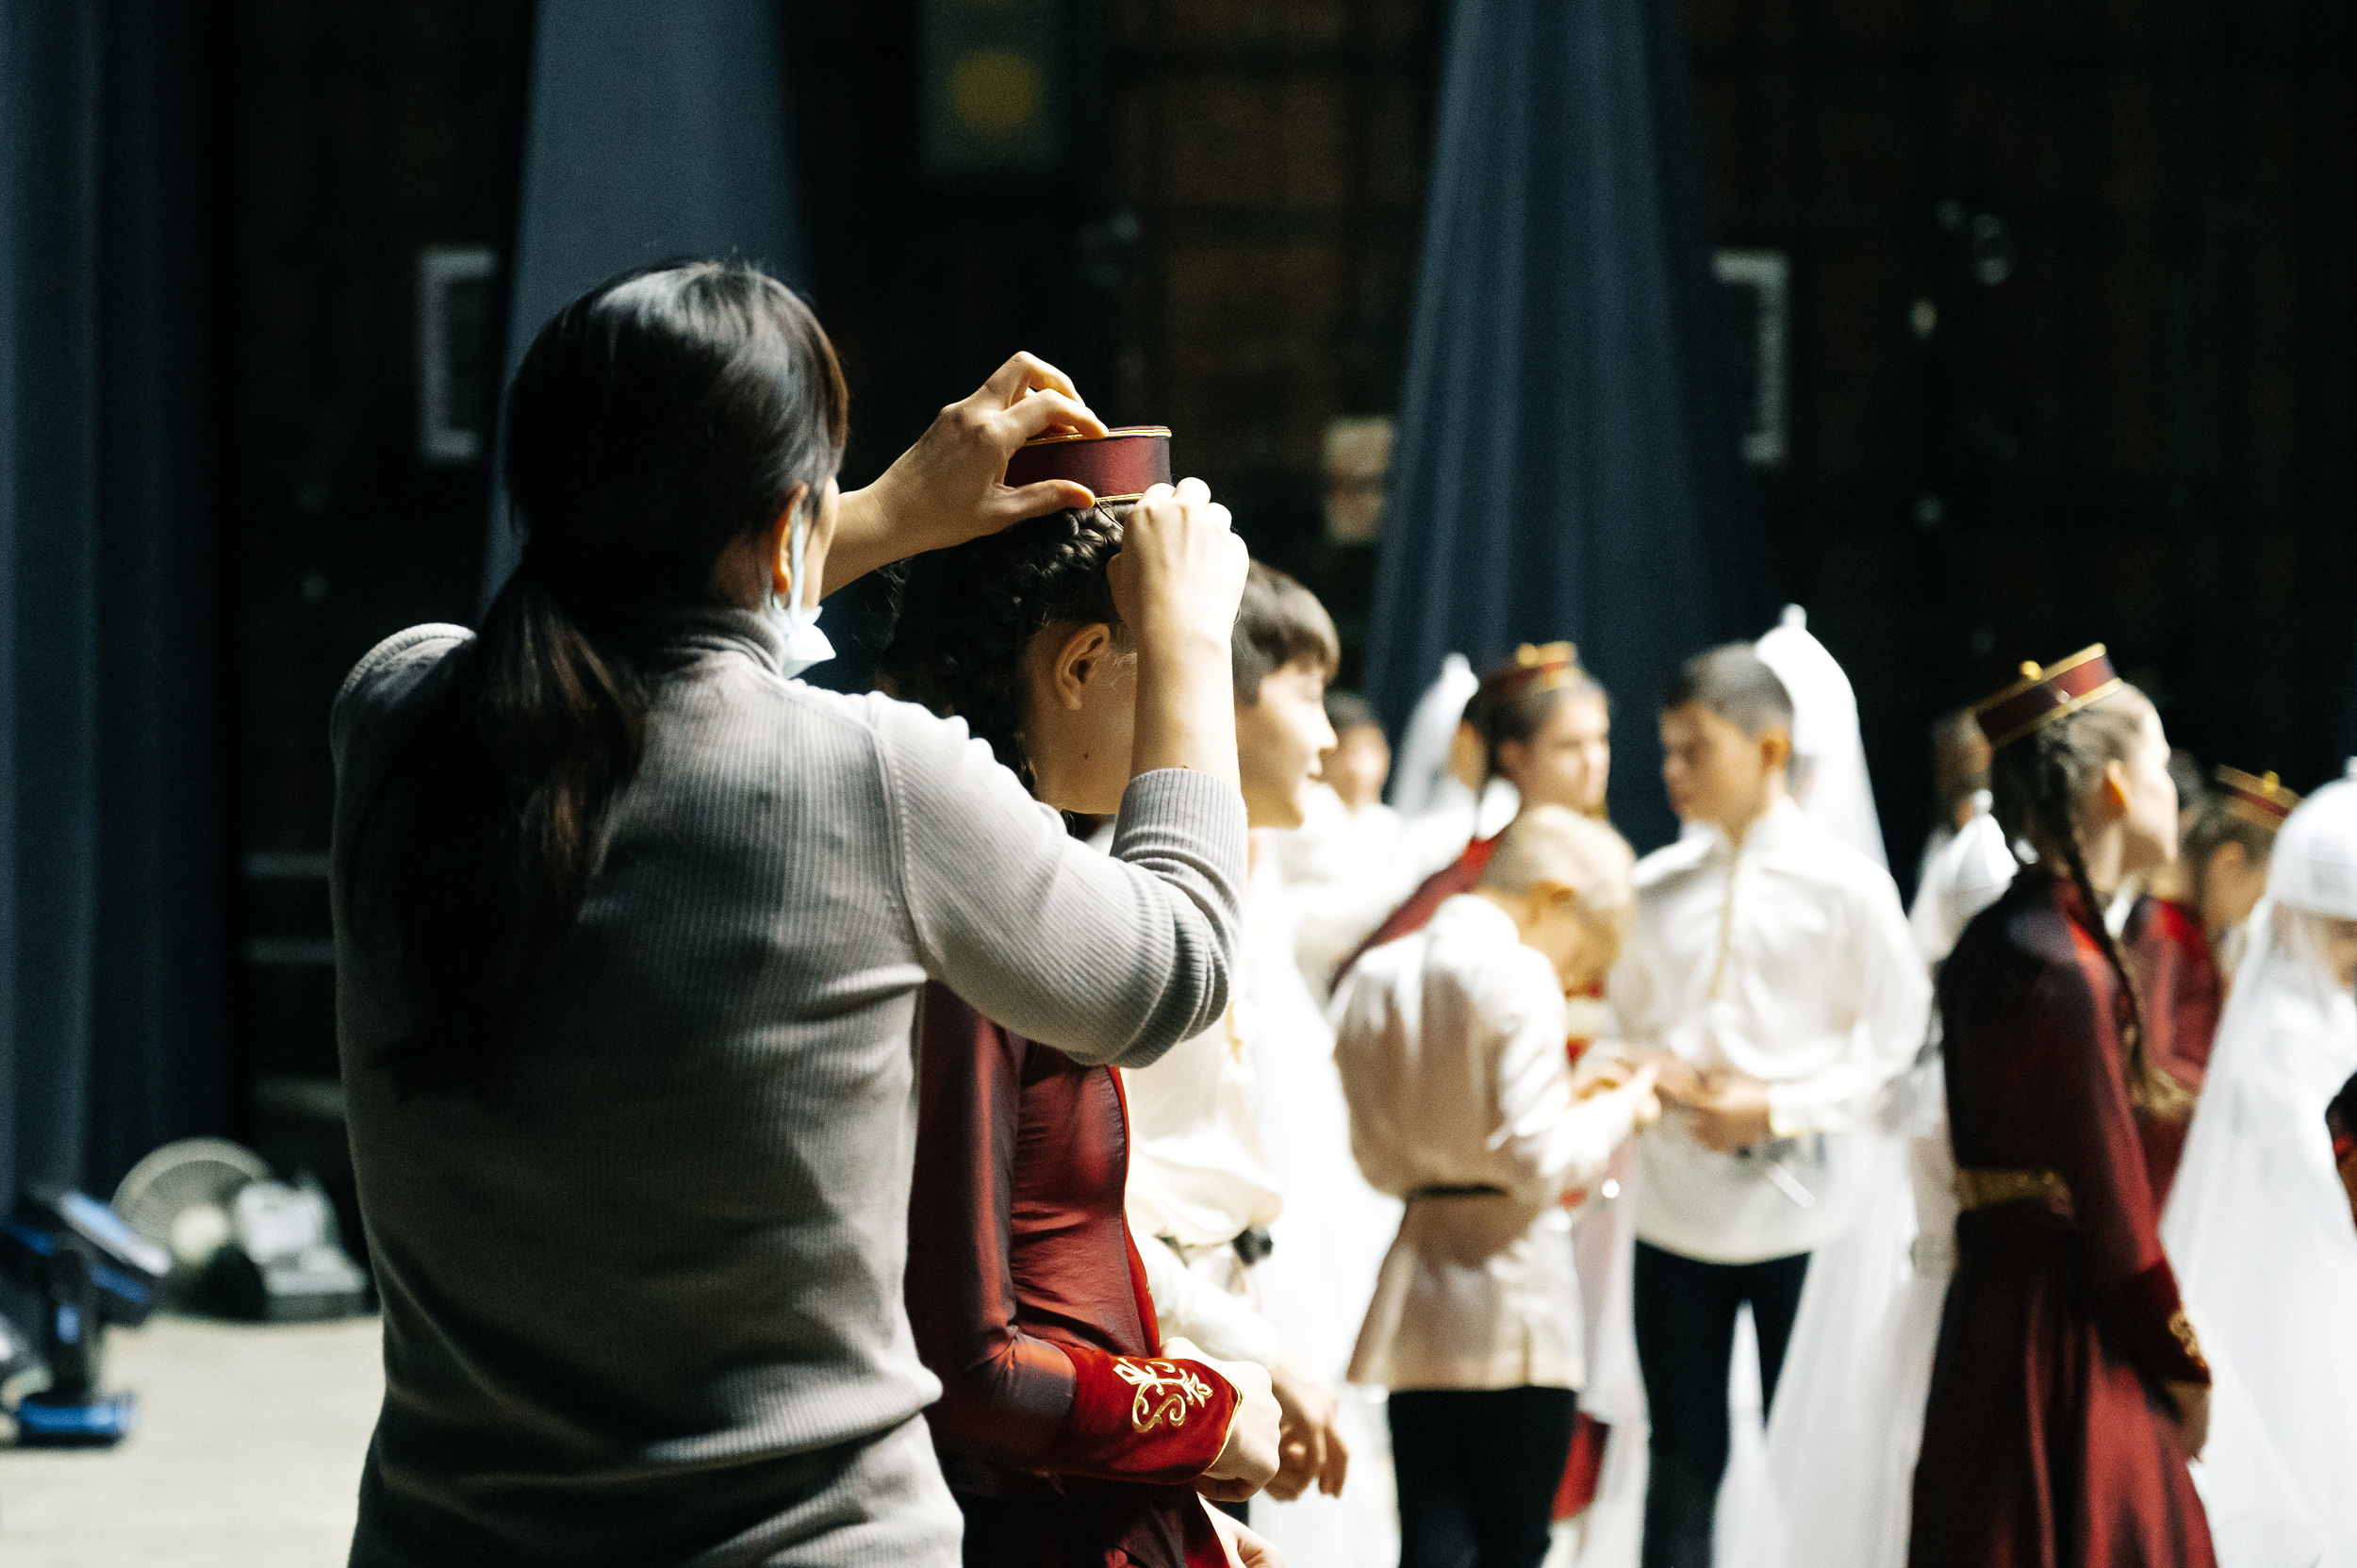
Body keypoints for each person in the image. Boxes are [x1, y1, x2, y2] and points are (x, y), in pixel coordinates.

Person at [329, 263, 1254, 1567]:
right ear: (781, 528)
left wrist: (862, 515)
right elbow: (1174, 970)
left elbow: (590, 627)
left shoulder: (393, 718)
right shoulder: (872, 775)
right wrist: (1194, 635)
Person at [881, 437, 1286, 1568]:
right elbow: (971, 1359)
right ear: (1081, 663)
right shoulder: (968, 903)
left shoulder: (1019, 877)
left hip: (1071, 1486)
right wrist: (1203, 1412)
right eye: (1176, 674)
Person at [1608, 643, 1927, 1568]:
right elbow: (1623, 1026)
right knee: (1680, 1458)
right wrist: (1650, 1073)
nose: (1670, 772)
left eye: (1693, 750)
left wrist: (1779, 1103)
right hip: (1673, 1211)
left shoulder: (1846, 888)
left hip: (1805, 1214)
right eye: (1664, 750)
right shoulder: (1652, 886)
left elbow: (1898, 1046)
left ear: (1770, 749)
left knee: (1815, 1456)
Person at [1908, 647, 2215, 1568]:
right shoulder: (2070, 969)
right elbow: (2116, 1226)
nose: (2172, 786)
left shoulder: (1999, 940)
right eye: (2161, 764)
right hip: (2070, 1349)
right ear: (2117, 786)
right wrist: (2181, 1368)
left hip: (1986, 1327)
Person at [1334, 806, 1663, 1568]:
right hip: (1512, 1290)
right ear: (1555, 898)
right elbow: (1537, 1160)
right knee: (1514, 1541)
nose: (1580, 973)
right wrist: (1623, 1105)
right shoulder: (1516, 972)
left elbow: (1377, 1161)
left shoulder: (1379, 973)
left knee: (1430, 1538)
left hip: (1418, 1281)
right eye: (1590, 947)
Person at [1121, 562, 1356, 1535]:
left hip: (1245, 1304)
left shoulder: (1258, 881)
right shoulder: (1128, 901)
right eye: (1309, 694)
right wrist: (1242, 1346)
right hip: (1163, 1338)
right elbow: (1098, 1192)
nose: (1332, 736)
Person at [2163, 760, 2357, 1568]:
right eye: (2346, 930)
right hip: (2290, 1267)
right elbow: (2311, 1178)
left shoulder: (2326, 1007)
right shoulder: (2279, 1027)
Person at [1333, 642, 1610, 989]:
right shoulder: (1480, 869)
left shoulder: (1610, 859)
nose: (1594, 761)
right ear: (1514, 755)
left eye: (1600, 740)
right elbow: (1364, 978)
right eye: (1569, 746)